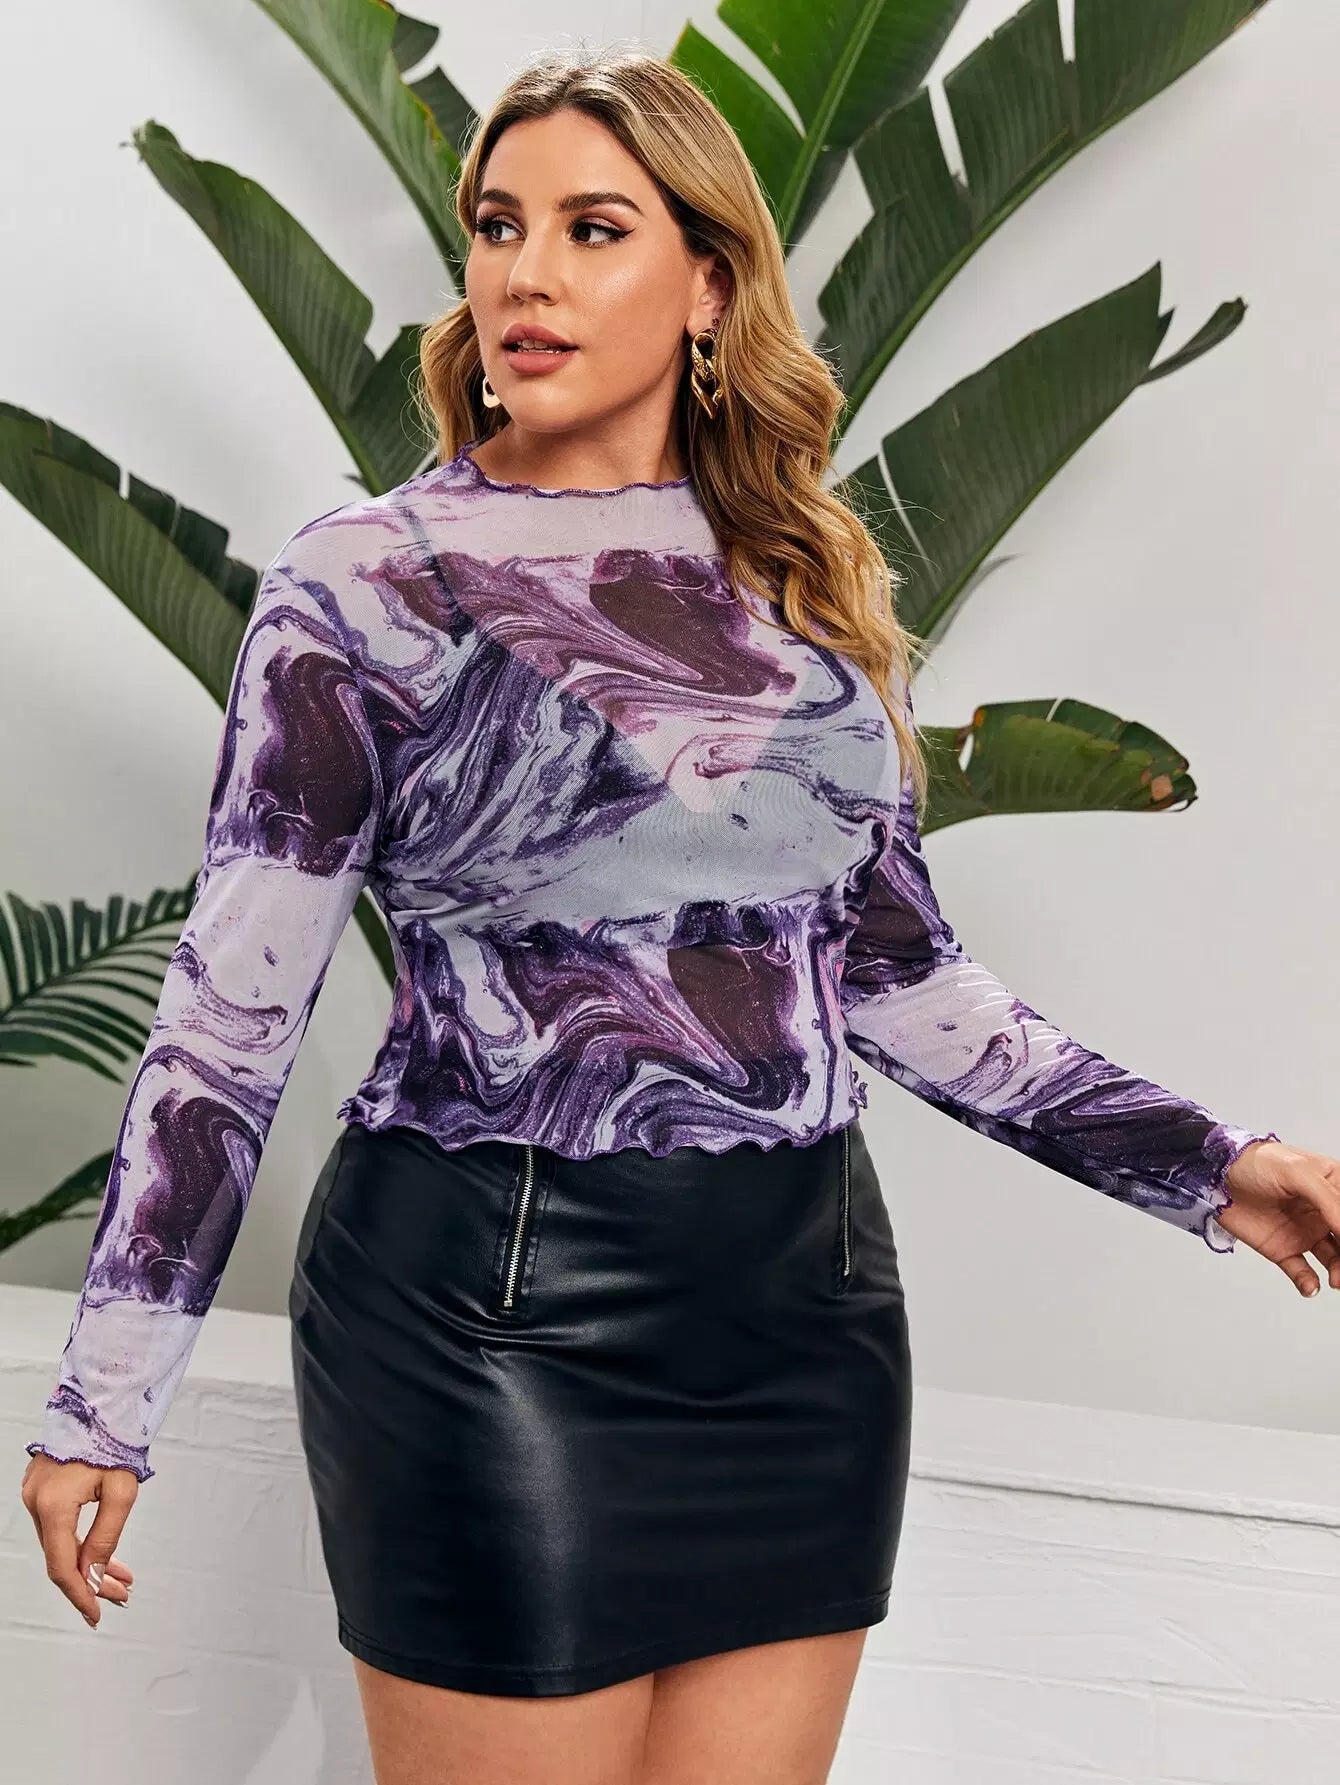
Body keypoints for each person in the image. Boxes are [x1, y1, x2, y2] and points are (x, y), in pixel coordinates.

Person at [19, 43, 1335, 1785]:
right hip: (489, 1312)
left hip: (807, 1317)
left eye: (593, 228)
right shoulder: (368, 584)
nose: (526, 274)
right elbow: (227, 1017)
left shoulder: (799, 581)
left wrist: (1209, 1163)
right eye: (499, 225)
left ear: (710, 285)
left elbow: (898, 979)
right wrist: (106, 1396)